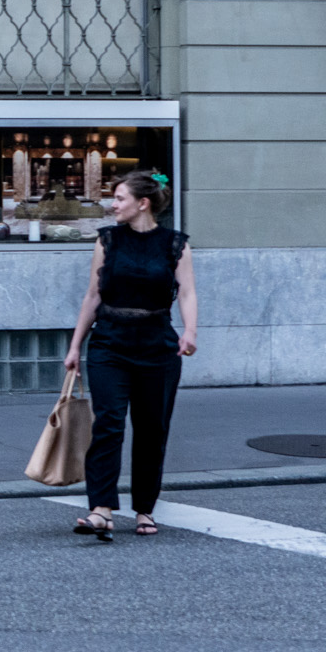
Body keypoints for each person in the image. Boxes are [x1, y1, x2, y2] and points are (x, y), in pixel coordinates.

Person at [63, 170, 198, 541]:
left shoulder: (175, 244)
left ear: (143, 203)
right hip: (109, 342)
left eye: (120, 198)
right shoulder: (107, 240)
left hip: (158, 345)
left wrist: (189, 331)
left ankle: (144, 509)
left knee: (152, 430)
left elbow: (187, 292)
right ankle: (101, 509)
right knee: (108, 423)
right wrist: (75, 346)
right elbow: (93, 295)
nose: (113, 204)